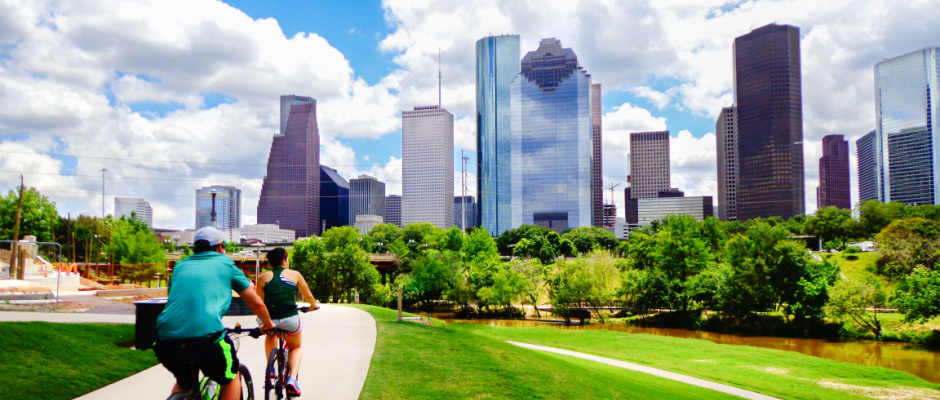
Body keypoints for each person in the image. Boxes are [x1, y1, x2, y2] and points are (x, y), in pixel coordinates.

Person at [154, 226, 276, 400]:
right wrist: (268, 325)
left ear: (195, 248)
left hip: (165, 339)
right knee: (230, 377)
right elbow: (257, 304)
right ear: (220, 247)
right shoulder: (225, 263)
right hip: (206, 337)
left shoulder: (180, 266)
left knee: (185, 383)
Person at [256, 247, 318, 397]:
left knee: (270, 333)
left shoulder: (263, 277)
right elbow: (307, 294)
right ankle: (292, 379)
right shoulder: (295, 274)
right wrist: (313, 306)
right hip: (290, 318)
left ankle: (270, 369)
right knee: (295, 347)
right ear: (284, 260)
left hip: (269, 319)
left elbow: (259, 301)